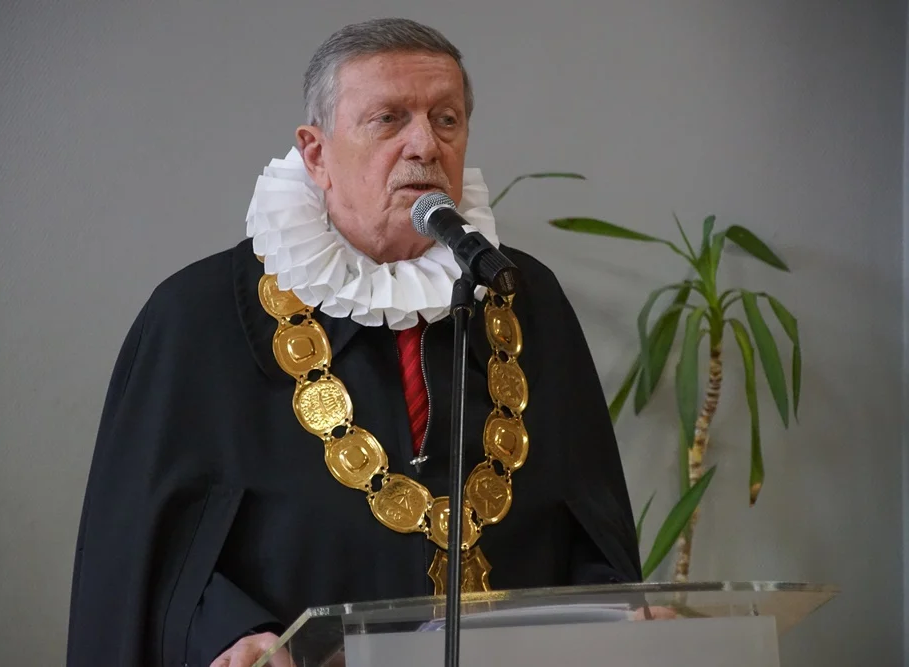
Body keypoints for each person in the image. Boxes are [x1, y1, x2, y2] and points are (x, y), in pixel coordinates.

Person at [65, 17, 642, 667]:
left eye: (446, 119)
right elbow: (152, 563)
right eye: (389, 119)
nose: (425, 144)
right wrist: (234, 635)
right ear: (316, 154)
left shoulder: (523, 295)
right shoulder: (192, 318)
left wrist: (617, 611)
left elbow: (589, 524)